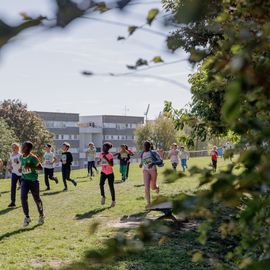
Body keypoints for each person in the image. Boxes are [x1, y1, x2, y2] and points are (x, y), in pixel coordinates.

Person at [20, 141, 44, 227]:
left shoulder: (33, 157)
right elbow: (23, 166)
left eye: (23, 146)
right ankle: (27, 217)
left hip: (33, 181)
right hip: (24, 180)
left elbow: (40, 167)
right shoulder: (21, 157)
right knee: (23, 198)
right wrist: (21, 169)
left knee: (37, 199)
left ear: (28, 148)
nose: (21, 148)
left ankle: (41, 215)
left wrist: (30, 166)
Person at [140, 141, 163, 209]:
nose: (145, 147)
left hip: (153, 170)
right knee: (146, 187)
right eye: (144, 146)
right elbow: (143, 160)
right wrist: (141, 164)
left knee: (153, 187)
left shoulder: (153, 152)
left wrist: (153, 163)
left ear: (149, 146)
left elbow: (160, 160)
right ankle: (149, 204)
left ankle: (157, 187)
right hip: (145, 170)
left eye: (146, 146)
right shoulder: (143, 153)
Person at [98, 142, 115, 207]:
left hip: (110, 173)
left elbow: (112, 164)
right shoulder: (100, 154)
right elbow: (99, 161)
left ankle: (113, 201)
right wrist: (99, 161)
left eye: (104, 147)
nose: (103, 148)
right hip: (103, 172)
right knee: (101, 184)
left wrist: (106, 158)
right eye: (103, 147)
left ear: (108, 148)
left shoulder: (110, 155)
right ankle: (103, 196)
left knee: (111, 187)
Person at [8, 143, 22, 207]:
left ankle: (24, 201)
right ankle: (12, 202)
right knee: (13, 187)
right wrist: (10, 167)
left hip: (21, 174)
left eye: (15, 147)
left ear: (17, 148)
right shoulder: (11, 155)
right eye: (12, 147)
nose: (13, 149)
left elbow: (23, 163)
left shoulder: (20, 155)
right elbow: (11, 162)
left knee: (23, 188)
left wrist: (21, 168)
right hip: (14, 173)